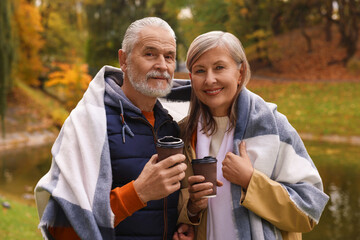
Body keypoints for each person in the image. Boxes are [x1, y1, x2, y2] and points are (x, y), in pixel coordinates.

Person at [35, 17, 194, 240]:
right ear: (124, 59)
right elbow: (60, 229)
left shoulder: (171, 125)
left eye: (169, 56)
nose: (162, 64)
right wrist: (139, 193)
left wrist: (184, 226)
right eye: (150, 54)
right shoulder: (89, 123)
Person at [176, 31, 329, 239]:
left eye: (219, 67)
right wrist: (192, 209)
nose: (210, 79)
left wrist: (250, 180)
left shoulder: (274, 126)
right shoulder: (183, 135)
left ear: (240, 72)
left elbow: (309, 211)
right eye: (200, 70)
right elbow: (173, 208)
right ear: (191, 77)